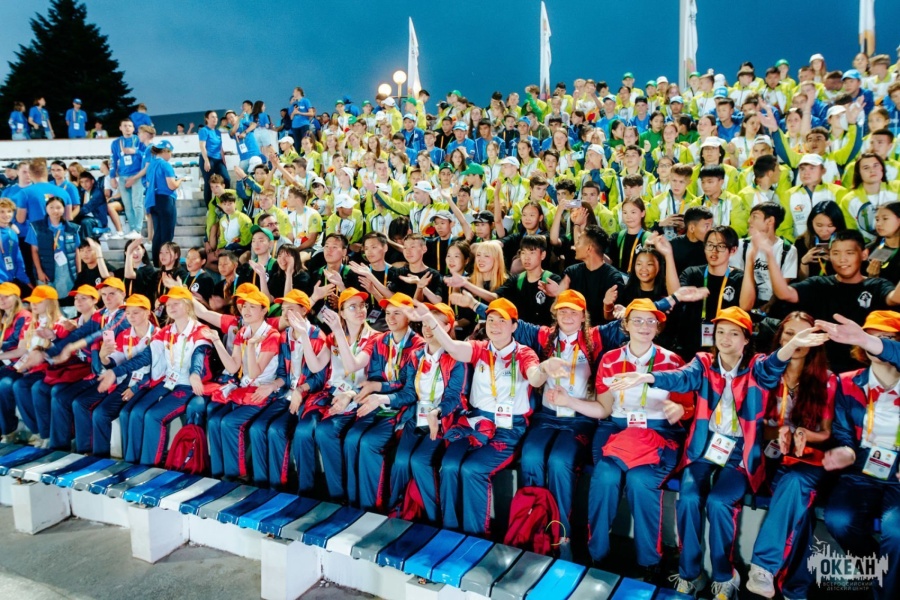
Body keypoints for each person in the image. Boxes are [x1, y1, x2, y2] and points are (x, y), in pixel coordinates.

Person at [609, 306, 826, 599]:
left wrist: (792, 344)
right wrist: (647, 378)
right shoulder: (703, 362)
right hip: (705, 447)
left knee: (719, 501)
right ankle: (690, 573)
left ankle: (725, 575)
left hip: (740, 452)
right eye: (720, 331)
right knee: (688, 498)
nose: (725, 338)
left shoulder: (757, 366)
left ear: (746, 339)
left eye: (734, 333)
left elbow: (774, 365)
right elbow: (681, 377)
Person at [416, 297, 557, 535]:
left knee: (473, 469)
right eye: (491, 320)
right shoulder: (479, 348)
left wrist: (544, 368)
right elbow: (452, 347)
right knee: (449, 465)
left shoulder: (524, 353)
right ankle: (449, 530)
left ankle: (475, 535)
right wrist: (428, 319)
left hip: (508, 427)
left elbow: (534, 377)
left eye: (502, 320)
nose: (495, 325)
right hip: (474, 422)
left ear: (514, 326)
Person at [586, 299, 693, 581]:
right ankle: (597, 553)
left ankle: (650, 561)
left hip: (660, 433)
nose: (644, 326)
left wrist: (679, 410)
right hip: (618, 431)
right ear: (626, 324)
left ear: (658, 327)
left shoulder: (673, 362)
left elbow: (688, 406)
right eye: (637, 320)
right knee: (605, 475)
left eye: (650, 321)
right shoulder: (610, 359)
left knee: (640, 480)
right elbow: (604, 408)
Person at [744, 312, 836, 600]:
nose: (796, 340)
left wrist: (803, 434)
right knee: (801, 510)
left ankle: (763, 567)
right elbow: (752, 424)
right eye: (789, 333)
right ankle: (796, 589)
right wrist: (778, 432)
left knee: (796, 483)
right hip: (768, 456)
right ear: (780, 337)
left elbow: (826, 433)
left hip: (806, 459)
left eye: (803, 335)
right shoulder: (764, 368)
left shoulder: (827, 380)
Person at [813, 311, 900, 600]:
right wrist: (847, 451)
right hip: (863, 470)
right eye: (870, 337)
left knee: (896, 532)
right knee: (839, 520)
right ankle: (883, 578)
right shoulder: (847, 382)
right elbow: (843, 432)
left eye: (887, 338)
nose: (876, 343)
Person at [95, 286, 211, 465]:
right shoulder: (166, 331)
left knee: (153, 416)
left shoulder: (200, 330)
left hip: (188, 385)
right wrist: (114, 371)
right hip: (167, 383)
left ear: (188, 305)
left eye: (176, 304)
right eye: (168, 304)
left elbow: (199, 355)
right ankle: (131, 463)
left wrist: (195, 374)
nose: (170, 307)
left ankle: (149, 465)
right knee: (136, 412)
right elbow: (144, 357)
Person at [386, 302, 468, 521]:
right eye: (424, 324)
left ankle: (434, 517)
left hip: (442, 420)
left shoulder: (456, 359)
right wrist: (383, 398)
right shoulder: (416, 355)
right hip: (417, 417)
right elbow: (409, 393)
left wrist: (437, 412)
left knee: (419, 461)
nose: (427, 329)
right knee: (401, 461)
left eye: (434, 324)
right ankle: (397, 509)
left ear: (447, 327)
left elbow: (454, 397)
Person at [202, 290, 281, 482]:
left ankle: (237, 475)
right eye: (244, 306)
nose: (246, 310)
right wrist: (216, 341)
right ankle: (218, 474)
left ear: (264, 310)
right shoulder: (243, 332)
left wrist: (251, 346)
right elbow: (233, 366)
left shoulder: (272, 334)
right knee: (214, 421)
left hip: (264, 392)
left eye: (252, 306)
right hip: (245, 389)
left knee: (229, 422)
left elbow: (254, 373)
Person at [74, 293, 154, 456]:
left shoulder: (158, 335)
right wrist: (104, 357)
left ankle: (128, 458)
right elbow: (114, 362)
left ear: (147, 313)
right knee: (99, 413)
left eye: (136, 312)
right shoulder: (125, 335)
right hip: (124, 380)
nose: (131, 317)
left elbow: (158, 370)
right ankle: (98, 456)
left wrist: (136, 387)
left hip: (148, 384)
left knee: (123, 414)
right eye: (128, 313)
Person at [26, 196, 80, 297]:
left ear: (64, 209)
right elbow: (34, 251)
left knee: (65, 299)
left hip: (66, 269)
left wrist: (79, 272)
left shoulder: (72, 229)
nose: (55, 211)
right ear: (46, 209)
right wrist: (39, 271)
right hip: (45, 267)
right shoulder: (36, 227)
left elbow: (76, 251)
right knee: (47, 300)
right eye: (51, 207)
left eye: (58, 207)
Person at [144, 140, 185, 266]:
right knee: (167, 234)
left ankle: (157, 263)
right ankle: (167, 264)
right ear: (165, 151)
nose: (171, 155)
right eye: (170, 152)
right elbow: (172, 185)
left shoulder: (151, 164)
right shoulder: (165, 165)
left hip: (153, 201)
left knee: (158, 234)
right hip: (165, 200)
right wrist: (180, 180)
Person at [109, 119, 146, 238]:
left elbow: (146, 156)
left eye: (130, 126)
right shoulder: (116, 143)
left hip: (137, 175)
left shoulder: (139, 140)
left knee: (137, 203)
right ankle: (132, 229)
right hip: (123, 176)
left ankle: (138, 229)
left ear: (133, 128)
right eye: (125, 126)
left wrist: (135, 151)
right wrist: (112, 177)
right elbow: (113, 160)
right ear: (120, 128)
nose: (127, 128)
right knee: (128, 205)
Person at [198, 111, 230, 204]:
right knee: (208, 183)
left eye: (216, 117)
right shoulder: (204, 130)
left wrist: (224, 161)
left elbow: (220, 148)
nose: (215, 119)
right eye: (212, 117)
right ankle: (209, 207)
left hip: (218, 160)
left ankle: (225, 202)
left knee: (226, 179)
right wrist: (206, 160)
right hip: (208, 158)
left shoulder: (218, 132)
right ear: (207, 119)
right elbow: (202, 146)